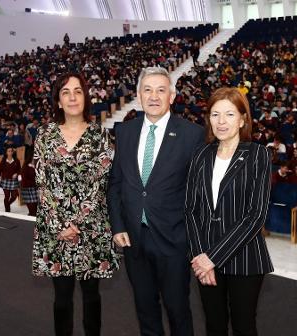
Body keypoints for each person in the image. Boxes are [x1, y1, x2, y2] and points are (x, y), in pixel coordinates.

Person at [107, 67, 204, 336]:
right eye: (147, 90)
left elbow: (199, 193)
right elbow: (116, 183)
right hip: (134, 240)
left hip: (173, 241)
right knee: (145, 310)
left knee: (178, 310)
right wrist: (117, 226)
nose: (154, 96)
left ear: (172, 96)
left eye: (161, 90)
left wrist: (191, 238)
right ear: (138, 96)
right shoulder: (124, 131)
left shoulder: (192, 134)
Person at [32, 72, 119, 336]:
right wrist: (60, 225)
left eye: (78, 91)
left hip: (90, 227)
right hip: (55, 227)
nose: (72, 97)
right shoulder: (44, 135)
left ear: (86, 97)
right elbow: (42, 183)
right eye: (66, 92)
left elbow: (100, 185)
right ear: (58, 101)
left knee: (92, 296)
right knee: (61, 298)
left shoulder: (101, 136)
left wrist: (77, 223)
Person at [184, 87, 274, 336]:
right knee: (214, 326)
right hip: (205, 258)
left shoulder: (258, 155)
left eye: (229, 114)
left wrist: (212, 257)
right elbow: (191, 210)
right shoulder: (201, 155)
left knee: (244, 327)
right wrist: (200, 257)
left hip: (244, 258)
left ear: (243, 118)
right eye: (215, 114)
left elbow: (255, 216)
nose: (221, 122)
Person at [0, 146, 21, 212]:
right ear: (6, 152)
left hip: (13, 181)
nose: (10, 152)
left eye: (11, 151)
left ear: (13, 152)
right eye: (8, 151)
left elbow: (19, 170)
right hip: (5, 180)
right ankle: (7, 210)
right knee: (7, 196)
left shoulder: (16, 160)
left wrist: (17, 174)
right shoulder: (3, 161)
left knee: (14, 196)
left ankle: (7, 204)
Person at [19, 148, 38, 216]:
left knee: (36, 210)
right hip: (28, 189)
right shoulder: (26, 167)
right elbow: (24, 180)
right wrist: (36, 183)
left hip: (36, 189)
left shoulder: (39, 165)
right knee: (32, 210)